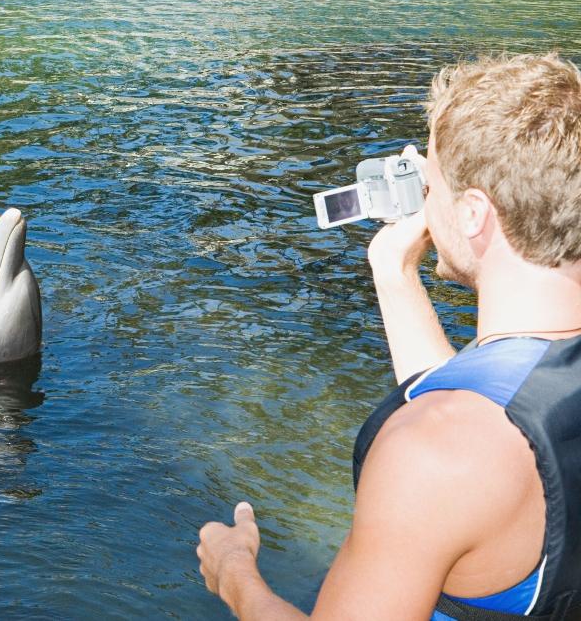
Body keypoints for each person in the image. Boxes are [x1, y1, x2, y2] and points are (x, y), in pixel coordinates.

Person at [197, 53, 581, 620]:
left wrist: (235, 574)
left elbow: (456, 445)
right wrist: (394, 270)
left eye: (432, 182)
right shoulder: (487, 412)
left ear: (474, 213)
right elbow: (500, 392)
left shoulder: (433, 454)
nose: (424, 194)